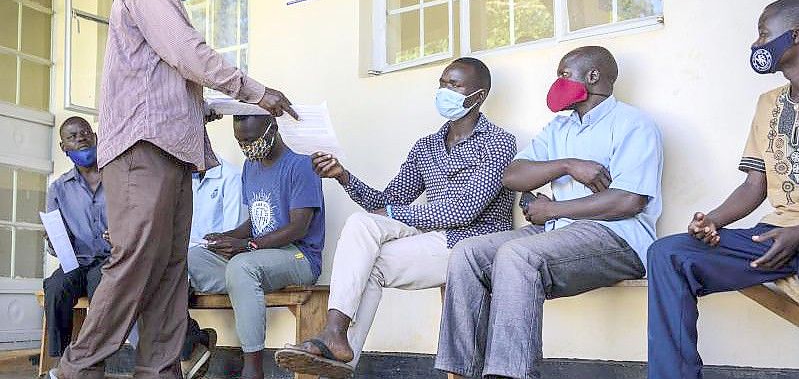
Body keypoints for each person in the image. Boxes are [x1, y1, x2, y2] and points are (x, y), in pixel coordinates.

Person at [51, 0, 297, 378]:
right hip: (141, 152)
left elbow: (160, 79)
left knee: (169, 270)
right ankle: (77, 369)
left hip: (172, 156)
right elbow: (188, 53)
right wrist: (256, 92)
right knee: (135, 261)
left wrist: (200, 107)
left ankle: (160, 371)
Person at [275, 57, 517, 379]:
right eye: (443, 83)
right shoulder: (427, 146)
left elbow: (464, 209)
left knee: (370, 254)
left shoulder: (499, 142)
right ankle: (337, 340)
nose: (445, 91)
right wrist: (343, 176)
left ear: (479, 95)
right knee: (361, 230)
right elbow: (388, 201)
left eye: (455, 85)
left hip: (472, 246)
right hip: (434, 240)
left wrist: (394, 214)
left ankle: (337, 348)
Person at [435, 46, 663, 379]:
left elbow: (628, 201)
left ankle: (508, 375)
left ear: (593, 76)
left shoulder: (633, 123)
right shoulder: (560, 127)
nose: (558, 83)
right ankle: (462, 373)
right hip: (556, 233)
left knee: (517, 255)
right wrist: (568, 165)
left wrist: (552, 208)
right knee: (468, 253)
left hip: (616, 237)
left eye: (564, 75)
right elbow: (512, 175)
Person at [647, 0, 799, 379]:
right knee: (669, 254)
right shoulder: (769, 103)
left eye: (764, 34)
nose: (756, 45)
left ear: (795, 36)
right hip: (771, 238)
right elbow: (754, 184)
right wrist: (712, 220)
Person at [186, 115, 324, 379]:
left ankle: (253, 369)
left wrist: (247, 245)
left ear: (272, 128)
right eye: (240, 142)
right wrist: (224, 238)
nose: (246, 147)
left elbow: (299, 227)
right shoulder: (251, 166)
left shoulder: (301, 165)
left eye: (251, 140)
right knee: (191, 258)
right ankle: (186, 345)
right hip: (258, 255)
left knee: (242, 266)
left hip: (298, 256)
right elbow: (256, 222)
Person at [128, 155, 247, 379]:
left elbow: (230, 242)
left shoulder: (230, 177)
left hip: (219, 263)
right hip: (185, 263)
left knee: (165, 270)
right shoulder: (177, 180)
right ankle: (189, 346)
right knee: (139, 274)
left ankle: (181, 351)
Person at [43, 117, 110, 361]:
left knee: (99, 282)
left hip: (110, 260)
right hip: (76, 261)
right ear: (64, 148)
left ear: (95, 136)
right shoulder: (58, 188)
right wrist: (53, 240)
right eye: (72, 137)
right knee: (55, 287)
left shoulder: (115, 177)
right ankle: (61, 360)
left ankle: (94, 359)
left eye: (84, 133)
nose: (80, 138)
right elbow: (55, 236)